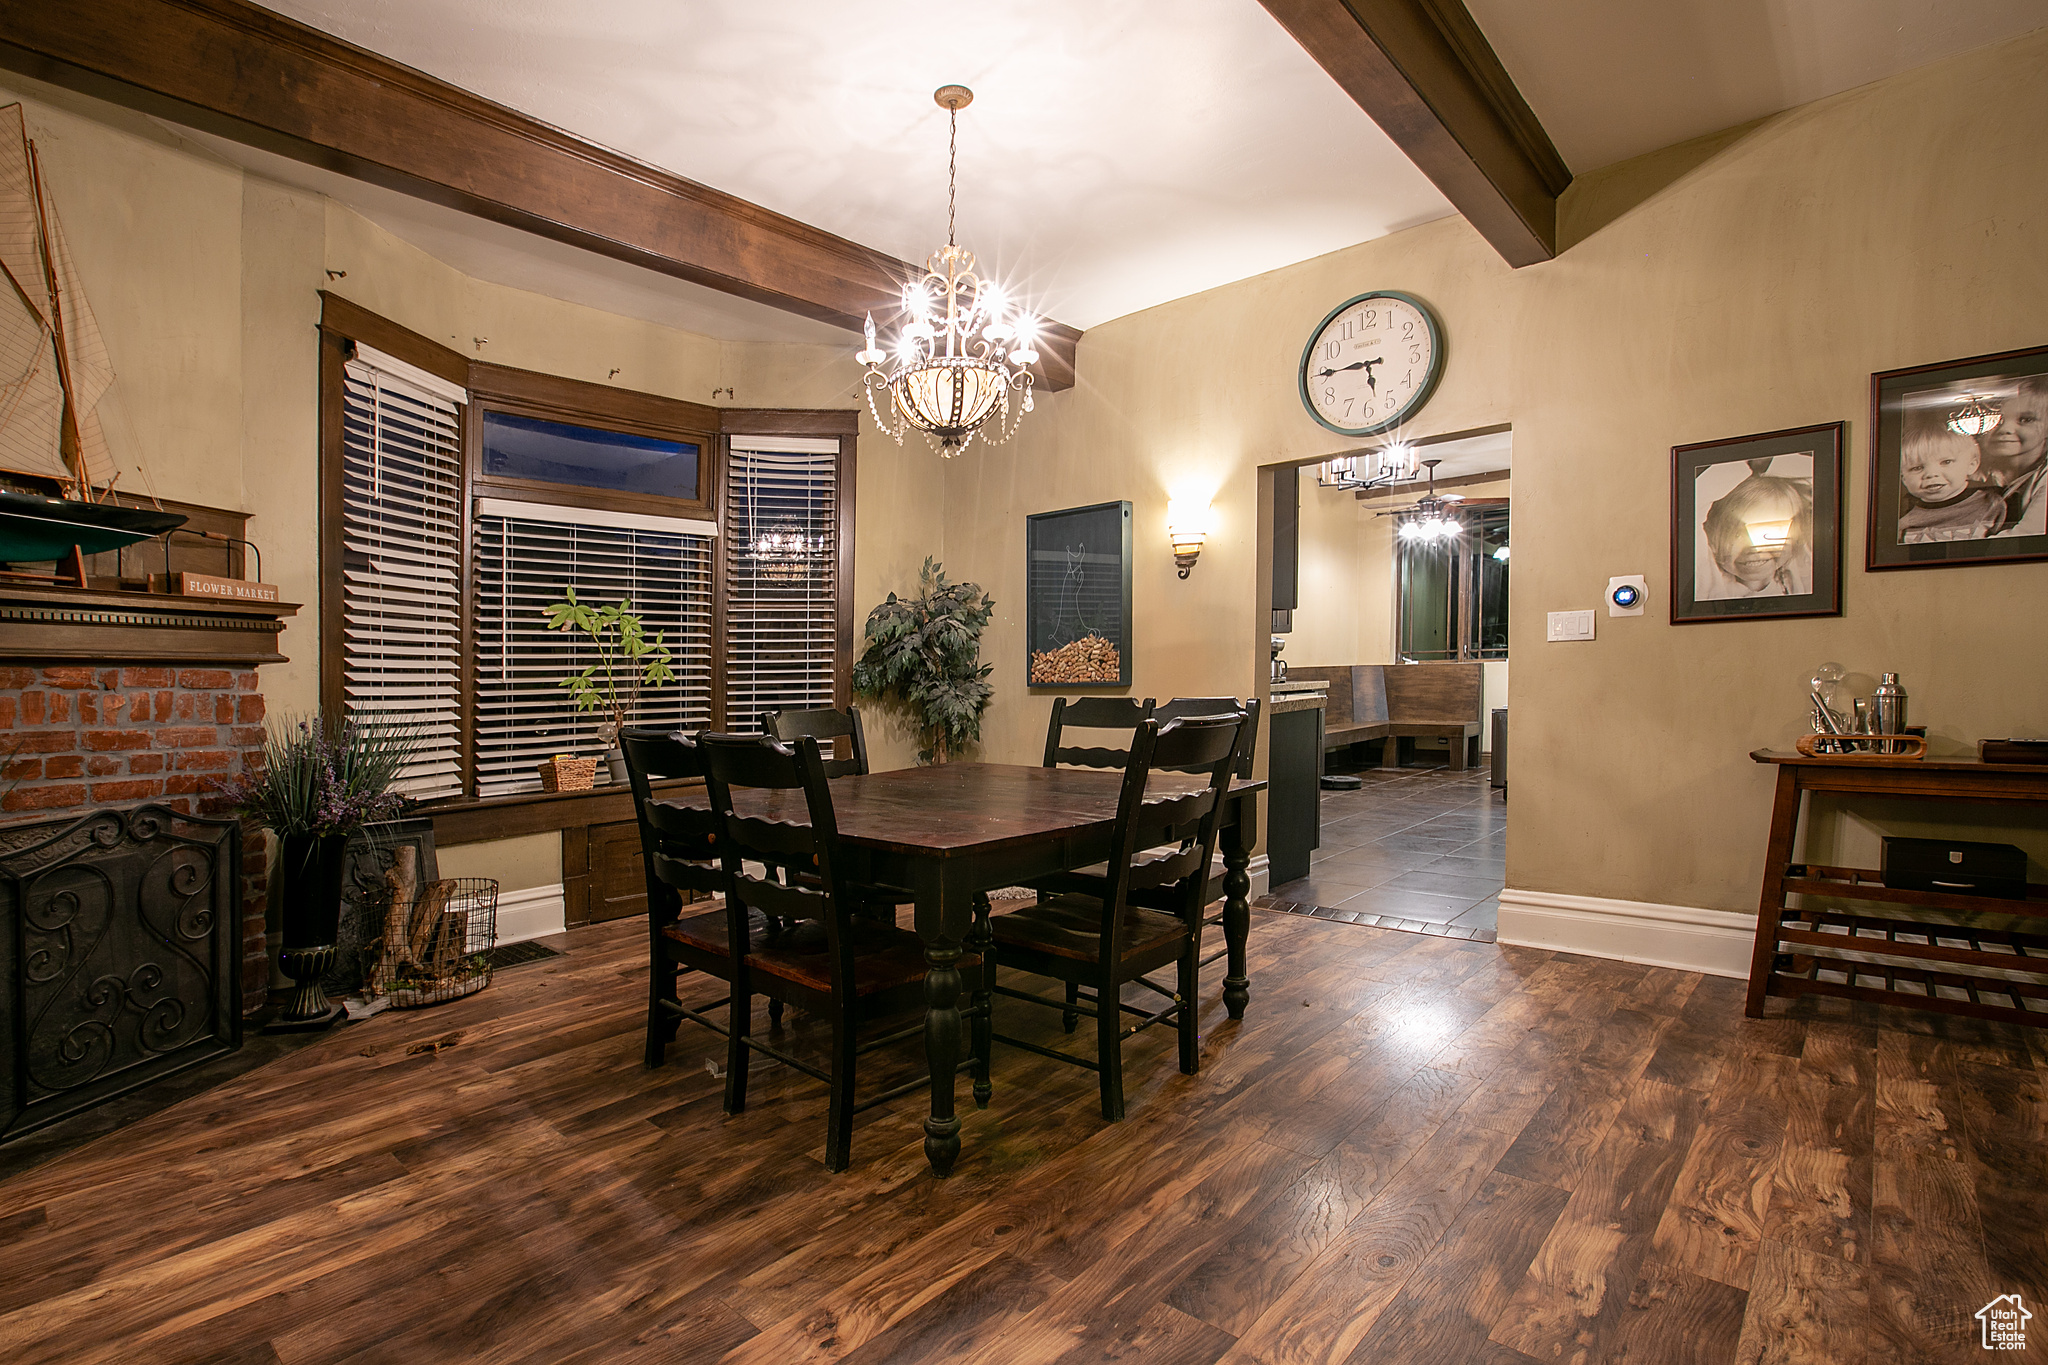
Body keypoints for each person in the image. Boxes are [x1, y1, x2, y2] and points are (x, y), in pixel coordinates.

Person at [1699, 457, 1813, 598]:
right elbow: (1694, 503)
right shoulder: (1706, 581)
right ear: (1712, 541)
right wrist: (1743, 464)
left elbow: (1825, 476)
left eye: (1771, 531)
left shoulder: (1803, 566)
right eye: (1736, 535)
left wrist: (1766, 463)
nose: (1755, 549)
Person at [1898, 415, 2006, 542]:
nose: (1931, 474)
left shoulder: (1992, 504)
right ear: (1903, 478)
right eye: (1917, 468)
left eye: (1946, 462)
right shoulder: (1902, 520)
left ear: (1971, 465)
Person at [1977, 374, 2048, 537]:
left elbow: (2028, 535)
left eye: (2026, 419)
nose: (2005, 429)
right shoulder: (1978, 475)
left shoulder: (2044, 478)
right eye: (1997, 419)